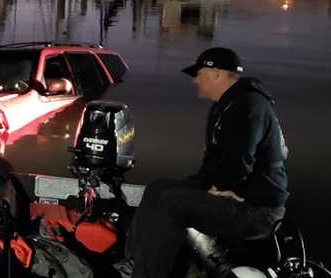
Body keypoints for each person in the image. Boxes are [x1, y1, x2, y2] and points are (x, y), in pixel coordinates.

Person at [115, 47, 289, 278]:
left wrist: (233, 190)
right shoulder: (227, 104)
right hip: (236, 193)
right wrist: (202, 185)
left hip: (257, 210)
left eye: (199, 74)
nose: (195, 80)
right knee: (157, 189)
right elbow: (215, 166)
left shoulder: (249, 105)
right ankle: (133, 262)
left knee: (172, 204)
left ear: (216, 74)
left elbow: (239, 164)